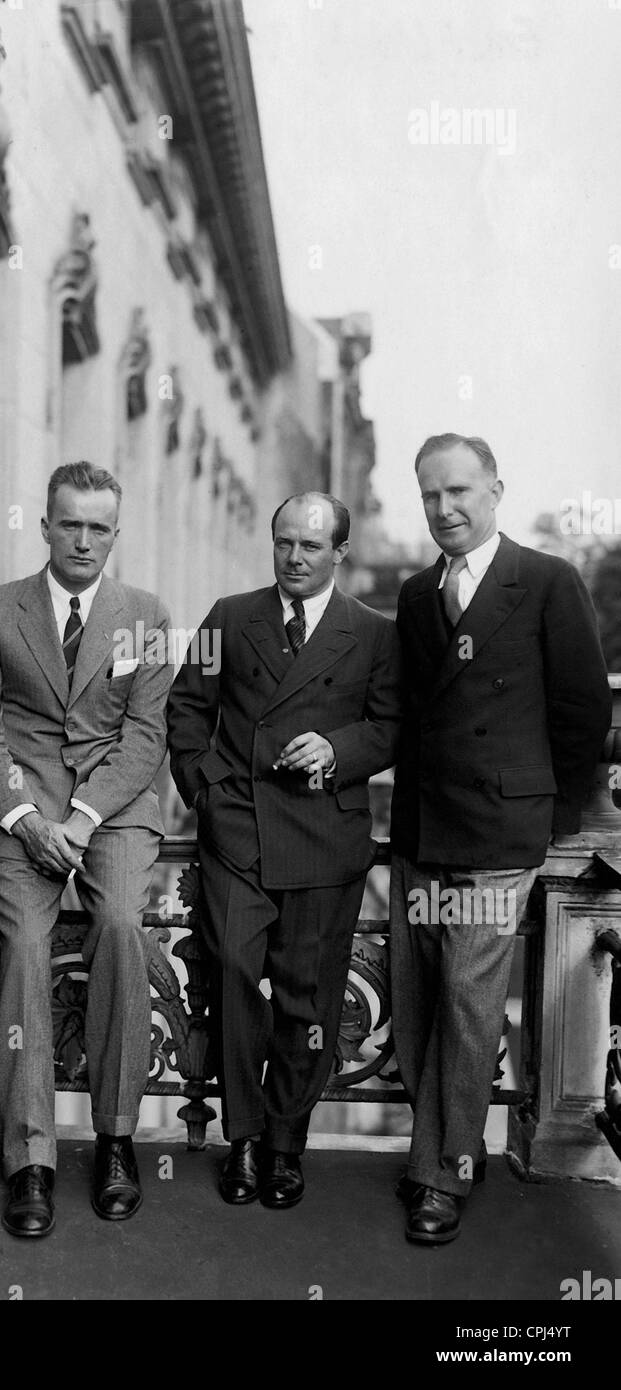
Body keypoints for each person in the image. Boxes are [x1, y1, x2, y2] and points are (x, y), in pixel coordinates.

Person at [390, 432, 611, 1244]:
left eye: (457, 492)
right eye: (428, 496)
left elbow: (584, 711)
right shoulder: (417, 594)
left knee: (467, 999)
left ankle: (440, 1173)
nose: (443, 509)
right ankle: (444, 1150)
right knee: (415, 1004)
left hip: (498, 834)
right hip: (420, 831)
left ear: (494, 491)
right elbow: (410, 717)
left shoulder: (547, 580)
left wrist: (547, 821)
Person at [0, 461, 172, 1238]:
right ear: (44, 525)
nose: (82, 539)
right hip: (16, 815)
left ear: (116, 533)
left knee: (119, 928)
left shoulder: (143, 615)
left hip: (109, 815)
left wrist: (78, 818)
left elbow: (145, 737)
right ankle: (30, 1160)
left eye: (98, 527)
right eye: (69, 523)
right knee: (24, 949)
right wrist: (19, 815)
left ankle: (115, 1140)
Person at [167, 492, 401, 1208]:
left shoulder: (372, 632)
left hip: (323, 837)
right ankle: (239, 1138)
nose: (294, 559)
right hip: (237, 830)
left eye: (309, 546)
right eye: (283, 544)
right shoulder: (230, 616)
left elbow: (392, 726)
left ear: (339, 553)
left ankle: (282, 1146)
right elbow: (185, 709)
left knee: (307, 1000)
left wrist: (336, 748)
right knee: (233, 975)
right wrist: (206, 791)